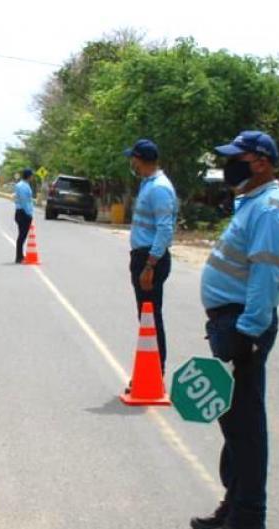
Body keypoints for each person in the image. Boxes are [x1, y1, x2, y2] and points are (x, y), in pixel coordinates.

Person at [192, 131, 279, 529]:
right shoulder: (251, 202)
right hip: (230, 322)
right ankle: (234, 505)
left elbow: (265, 277)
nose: (232, 165)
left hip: (242, 326)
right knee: (233, 425)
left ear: (263, 163)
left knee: (245, 427)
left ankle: (248, 522)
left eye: (240, 158)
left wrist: (248, 334)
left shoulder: (269, 210)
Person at [124, 139, 177, 374]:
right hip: (142, 256)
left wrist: (150, 265)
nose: (131, 162)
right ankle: (151, 370)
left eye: (133, 158)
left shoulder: (159, 188)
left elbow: (165, 229)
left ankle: (155, 371)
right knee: (146, 315)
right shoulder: (148, 184)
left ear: (141, 160)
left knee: (150, 316)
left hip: (150, 259)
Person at [14, 168, 35, 263]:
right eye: (32, 175)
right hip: (23, 212)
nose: (32, 177)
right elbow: (24, 201)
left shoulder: (23, 185)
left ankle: (20, 256)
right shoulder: (23, 186)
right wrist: (29, 214)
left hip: (21, 212)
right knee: (22, 236)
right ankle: (19, 257)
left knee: (22, 236)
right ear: (29, 176)